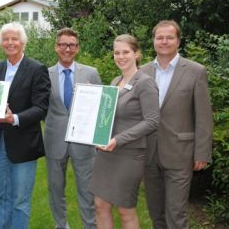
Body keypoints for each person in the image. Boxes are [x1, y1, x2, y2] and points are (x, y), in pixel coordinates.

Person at [141, 20, 213, 229]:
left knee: (176, 214)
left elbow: (204, 115)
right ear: (153, 41)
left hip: (180, 154)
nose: (164, 41)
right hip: (149, 153)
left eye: (169, 37)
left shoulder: (195, 71)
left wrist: (202, 152)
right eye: (159, 37)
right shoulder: (142, 72)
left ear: (178, 41)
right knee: (156, 214)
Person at [0, 22, 51, 229]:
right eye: (6, 39)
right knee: (0, 195)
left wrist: (15, 118)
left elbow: (41, 108)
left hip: (24, 142)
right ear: (1, 43)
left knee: (20, 200)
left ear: (23, 42)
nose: (10, 43)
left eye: (14, 39)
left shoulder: (37, 69)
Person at [90, 34, 160, 229]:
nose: (120, 56)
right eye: (116, 52)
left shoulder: (145, 83)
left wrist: (118, 139)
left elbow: (152, 121)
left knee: (125, 209)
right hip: (106, 153)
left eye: (126, 52)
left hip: (129, 154)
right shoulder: (114, 81)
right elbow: (107, 116)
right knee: (100, 204)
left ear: (137, 54)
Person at [44, 28, 101, 229]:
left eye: (71, 45)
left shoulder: (91, 73)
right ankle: (61, 225)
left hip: (84, 143)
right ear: (56, 47)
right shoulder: (45, 74)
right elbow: (39, 106)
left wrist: (99, 138)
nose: (67, 49)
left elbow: (101, 110)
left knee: (87, 191)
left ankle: (90, 226)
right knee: (55, 189)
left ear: (77, 48)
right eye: (63, 45)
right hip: (54, 140)